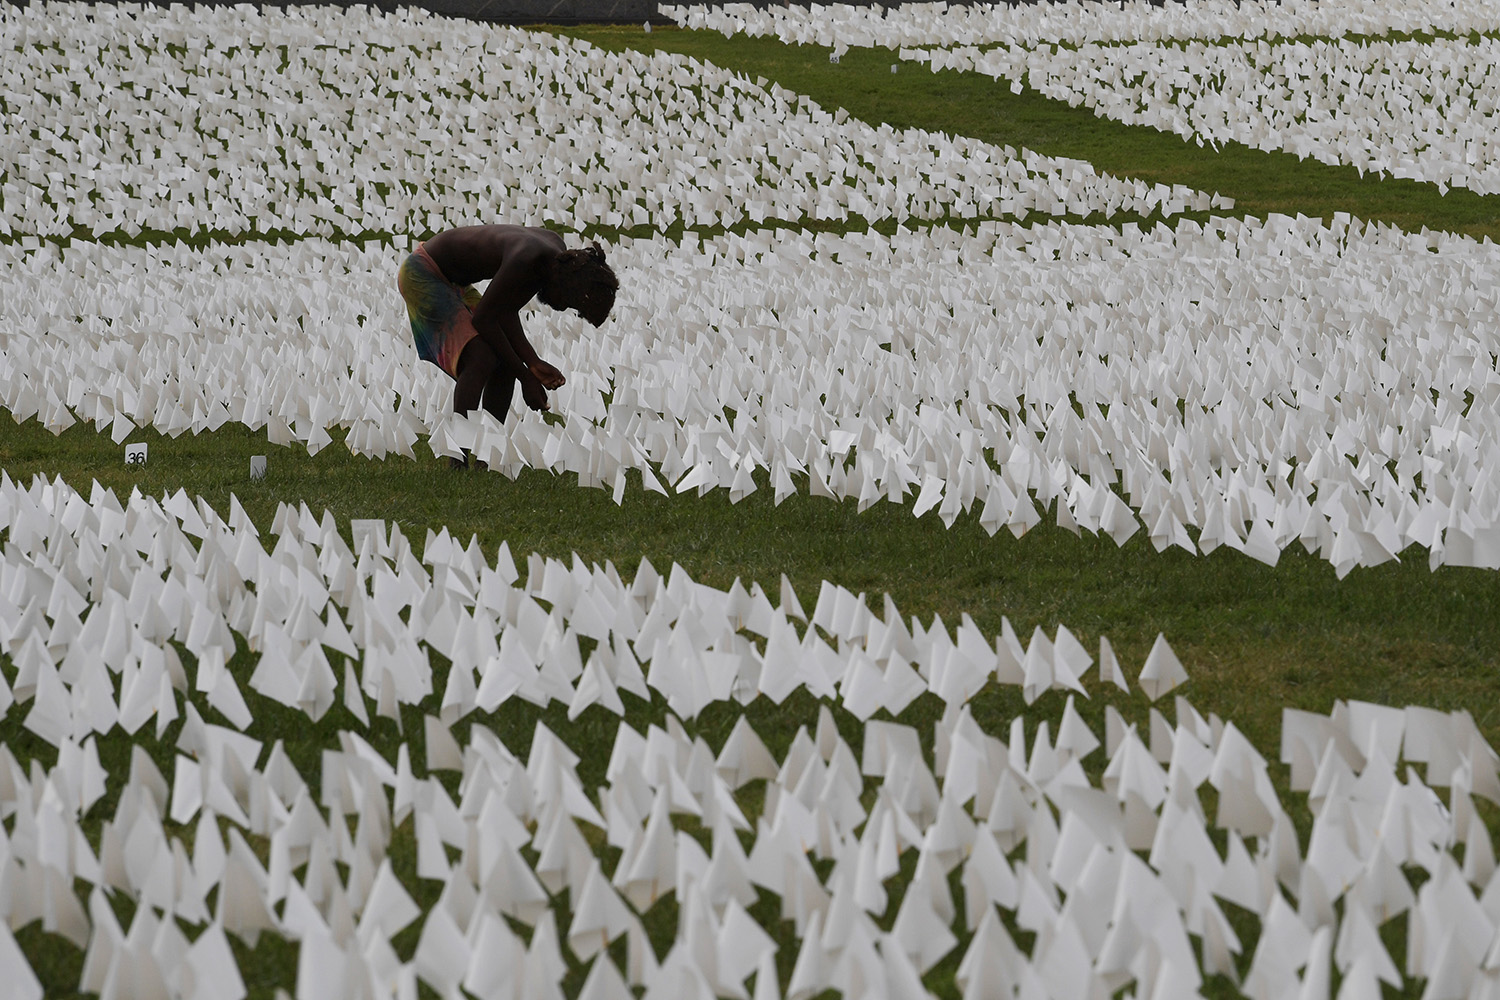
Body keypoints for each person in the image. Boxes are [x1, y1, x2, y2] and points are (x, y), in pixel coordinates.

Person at [396, 225, 619, 466]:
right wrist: (525, 377)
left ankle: (487, 457)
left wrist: (531, 363)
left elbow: (505, 310)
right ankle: (457, 459)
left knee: (504, 361)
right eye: (569, 301)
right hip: (422, 272)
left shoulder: (553, 257)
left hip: (452, 280)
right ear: (565, 284)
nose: (564, 307)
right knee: (480, 357)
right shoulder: (527, 259)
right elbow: (485, 318)